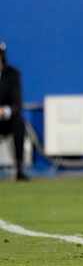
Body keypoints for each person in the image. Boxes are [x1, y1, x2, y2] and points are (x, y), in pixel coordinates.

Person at [0, 41, 28, 181]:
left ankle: (19, 169)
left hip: (8, 119)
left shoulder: (13, 74)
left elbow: (17, 103)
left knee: (19, 123)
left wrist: (4, 111)